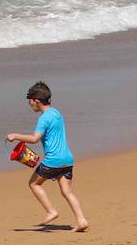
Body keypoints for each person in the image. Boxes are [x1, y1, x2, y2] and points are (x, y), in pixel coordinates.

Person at [5, 81, 88, 232]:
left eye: (30, 101)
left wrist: (15, 136)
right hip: (67, 159)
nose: (30, 105)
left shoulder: (43, 118)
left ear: (36, 100)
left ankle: (51, 211)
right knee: (67, 192)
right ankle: (81, 220)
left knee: (34, 184)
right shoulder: (56, 113)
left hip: (53, 161)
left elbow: (35, 138)